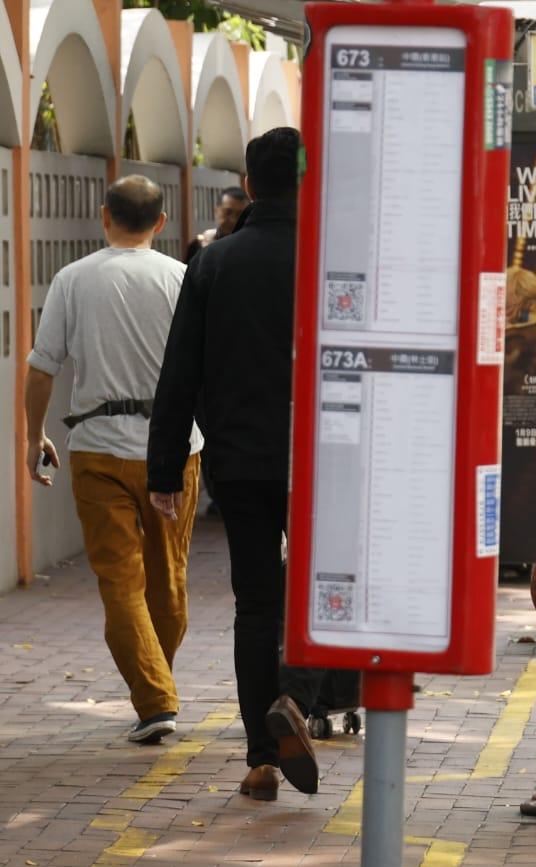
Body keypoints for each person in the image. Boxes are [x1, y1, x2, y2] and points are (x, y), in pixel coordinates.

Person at [146, 128, 319, 803]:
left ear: (249, 184)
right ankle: (296, 701)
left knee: (255, 602)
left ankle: (260, 757)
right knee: (315, 595)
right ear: (309, 180)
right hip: (322, 461)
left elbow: (179, 374)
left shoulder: (215, 263)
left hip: (241, 458)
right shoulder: (334, 257)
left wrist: (164, 470)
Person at [22, 176, 199, 745]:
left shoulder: (74, 280)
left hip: (97, 449)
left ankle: (155, 697)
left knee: (122, 583)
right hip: (175, 450)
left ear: (104, 217)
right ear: (162, 223)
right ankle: (157, 695)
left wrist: (33, 437)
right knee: (167, 582)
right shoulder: (181, 278)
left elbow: (42, 367)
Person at [183, 185, 246, 263]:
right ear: (216, 211)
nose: (233, 220)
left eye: (240, 214)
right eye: (228, 212)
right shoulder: (199, 245)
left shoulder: (252, 246)